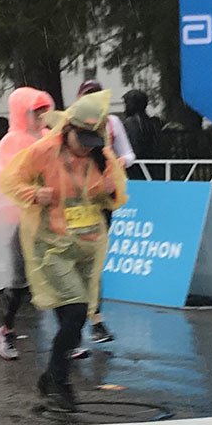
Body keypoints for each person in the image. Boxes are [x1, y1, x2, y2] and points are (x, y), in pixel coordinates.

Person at [1, 90, 128, 412]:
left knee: (76, 319)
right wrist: (34, 193)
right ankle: (60, 382)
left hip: (87, 244)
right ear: (68, 128)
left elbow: (109, 198)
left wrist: (109, 193)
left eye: (92, 141)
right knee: (73, 314)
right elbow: (10, 180)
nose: (86, 147)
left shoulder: (101, 156)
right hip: (51, 246)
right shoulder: (43, 151)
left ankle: (50, 378)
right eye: (82, 139)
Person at [0, 87, 54, 360]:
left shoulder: (50, 138)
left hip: (49, 218)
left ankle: (68, 335)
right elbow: (3, 181)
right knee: (19, 284)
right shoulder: (11, 143)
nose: (41, 117)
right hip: (20, 222)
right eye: (36, 112)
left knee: (58, 276)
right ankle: (7, 329)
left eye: (44, 111)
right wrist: (33, 193)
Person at [71, 80, 134, 353]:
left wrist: (118, 163)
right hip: (73, 202)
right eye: (88, 96)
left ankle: (96, 321)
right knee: (71, 261)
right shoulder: (69, 125)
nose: (93, 101)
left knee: (94, 260)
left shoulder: (111, 123)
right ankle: (72, 329)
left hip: (101, 201)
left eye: (97, 96)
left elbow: (129, 153)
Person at [121, 89, 160, 161]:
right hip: (151, 164)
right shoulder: (152, 122)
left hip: (137, 165)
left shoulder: (131, 122)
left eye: (126, 104)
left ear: (133, 104)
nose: (125, 109)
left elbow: (133, 148)